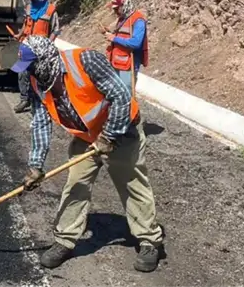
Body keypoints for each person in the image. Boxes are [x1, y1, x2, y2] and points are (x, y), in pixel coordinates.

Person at [11, 35, 164, 273]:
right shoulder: (38, 81)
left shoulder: (85, 61)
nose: (29, 73)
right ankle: (64, 240)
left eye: (30, 66)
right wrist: (35, 166)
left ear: (44, 58)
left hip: (122, 131)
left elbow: (122, 97)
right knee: (76, 183)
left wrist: (109, 136)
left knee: (133, 183)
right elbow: (41, 122)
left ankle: (150, 241)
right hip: (87, 136)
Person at [12, 0, 61, 114]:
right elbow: (26, 24)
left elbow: (55, 30)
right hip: (27, 45)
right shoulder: (29, 7)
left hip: (41, 48)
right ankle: (24, 99)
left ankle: (40, 102)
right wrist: (20, 34)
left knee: (39, 75)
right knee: (22, 72)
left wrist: (48, 44)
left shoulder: (51, 10)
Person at [103, 0, 148, 92]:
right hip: (118, 63)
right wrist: (109, 34)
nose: (114, 11)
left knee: (126, 94)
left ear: (124, 5)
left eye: (116, 8)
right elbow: (122, 35)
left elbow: (135, 43)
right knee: (117, 93)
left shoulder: (138, 20)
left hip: (129, 65)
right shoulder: (123, 18)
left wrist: (114, 38)